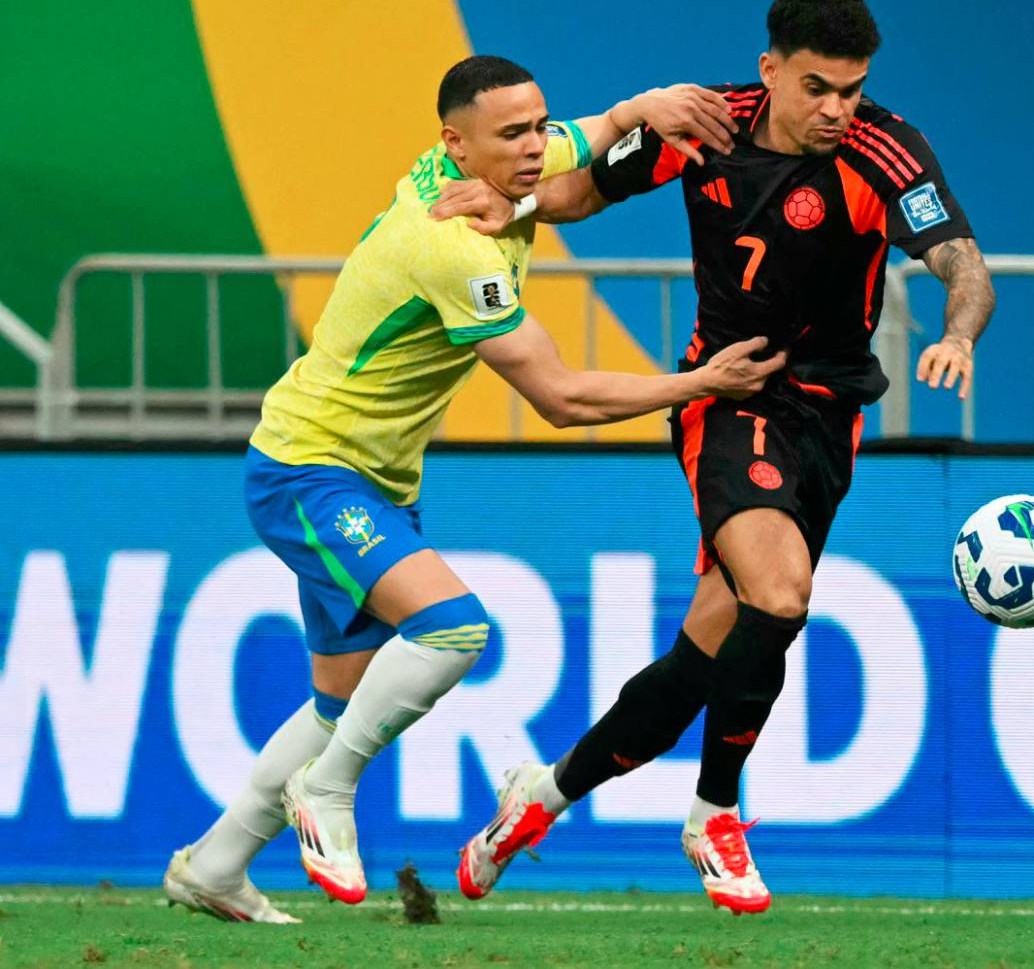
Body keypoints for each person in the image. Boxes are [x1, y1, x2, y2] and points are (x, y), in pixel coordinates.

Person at [162, 54, 784, 923]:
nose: (535, 150)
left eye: (537, 127)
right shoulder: (450, 242)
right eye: (513, 136)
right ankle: (329, 790)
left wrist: (641, 104)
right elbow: (561, 398)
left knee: (334, 701)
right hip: (310, 469)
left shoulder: (491, 166)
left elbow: (589, 135)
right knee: (453, 629)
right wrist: (699, 384)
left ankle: (216, 865)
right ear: (456, 144)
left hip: (367, 476)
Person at [435, 0, 996, 915]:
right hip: (728, 393)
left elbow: (962, 264)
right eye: (817, 88)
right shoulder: (703, 125)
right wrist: (514, 207)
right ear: (768, 71)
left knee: (707, 656)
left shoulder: (882, 149)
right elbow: (577, 192)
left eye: (853, 90)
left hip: (830, 415)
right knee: (779, 594)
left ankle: (539, 797)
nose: (837, 111)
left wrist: (959, 333)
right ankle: (715, 812)